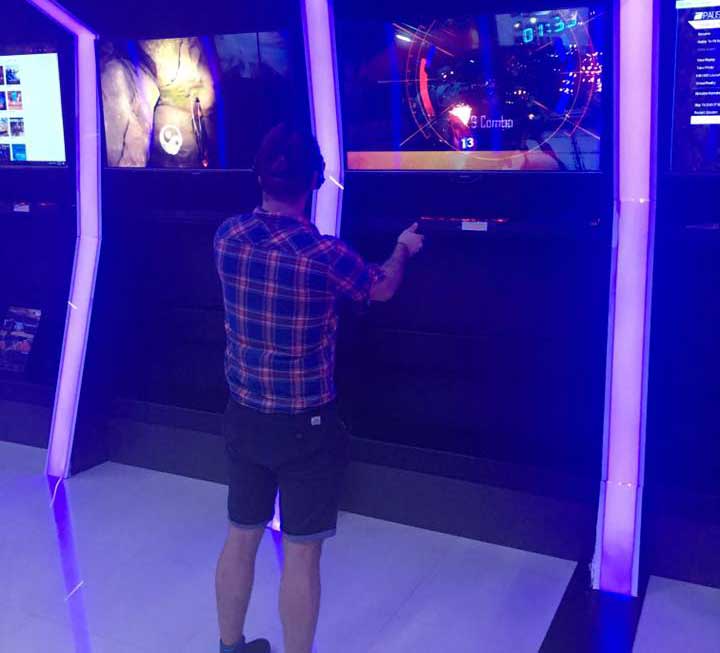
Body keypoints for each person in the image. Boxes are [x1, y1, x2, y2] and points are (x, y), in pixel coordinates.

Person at [213, 124, 423, 653]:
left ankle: (229, 646)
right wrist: (402, 248)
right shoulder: (323, 253)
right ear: (316, 180)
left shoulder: (228, 236)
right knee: (302, 552)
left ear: (259, 176)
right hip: (305, 424)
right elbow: (381, 287)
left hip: (243, 412)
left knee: (241, 534)